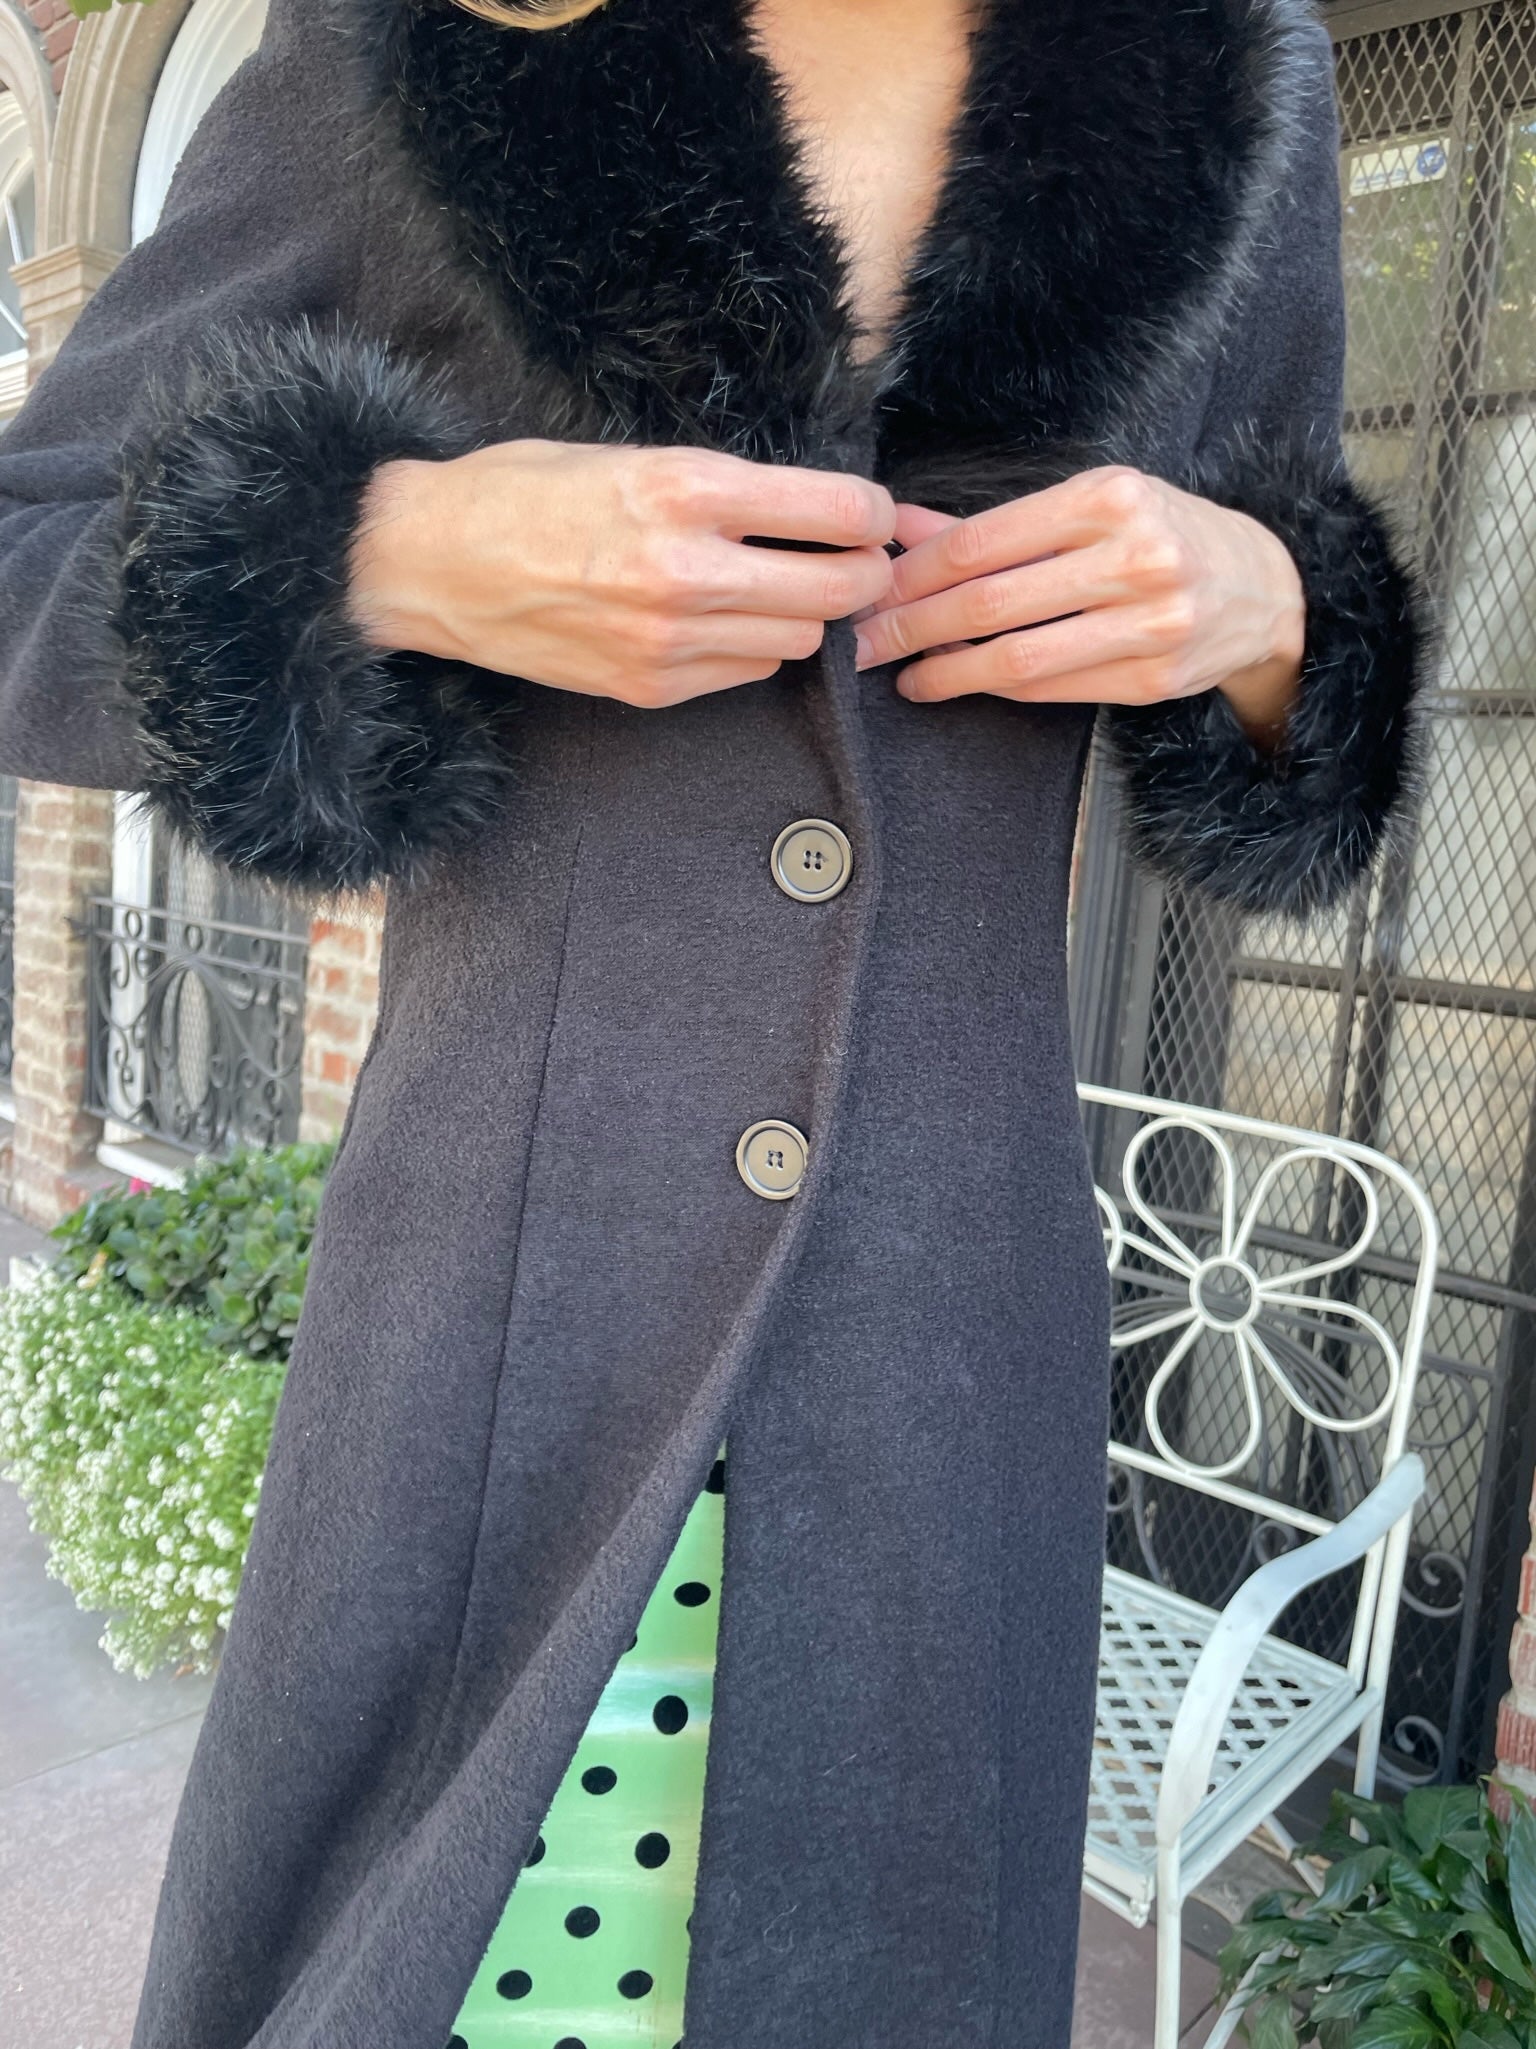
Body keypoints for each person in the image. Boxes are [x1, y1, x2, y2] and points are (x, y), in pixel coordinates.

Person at [0, 0, 1425, 2044]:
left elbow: (1305, 666)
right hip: (490, 1334)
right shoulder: (404, 56)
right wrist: (400, 543)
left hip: (941, 1355)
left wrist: (1272, 615)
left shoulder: (1232, 81)